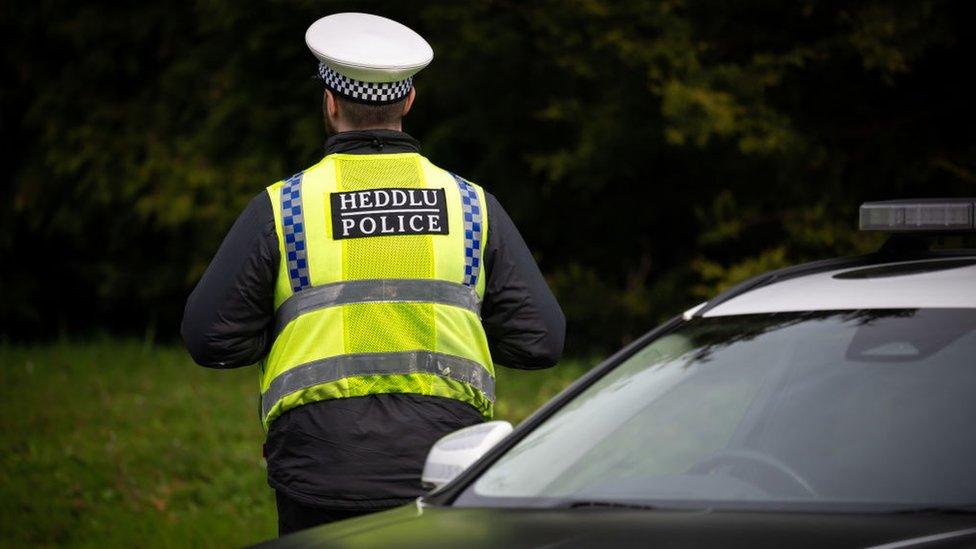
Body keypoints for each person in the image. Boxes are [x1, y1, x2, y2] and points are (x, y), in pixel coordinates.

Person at [181, 12, 565, 536]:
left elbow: (208, 339)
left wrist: (286, 332)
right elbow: (540, 341)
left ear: (330, 103)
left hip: (320, 467)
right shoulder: (471, 205)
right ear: (408, 102)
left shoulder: (284, 206)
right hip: (442, 467)